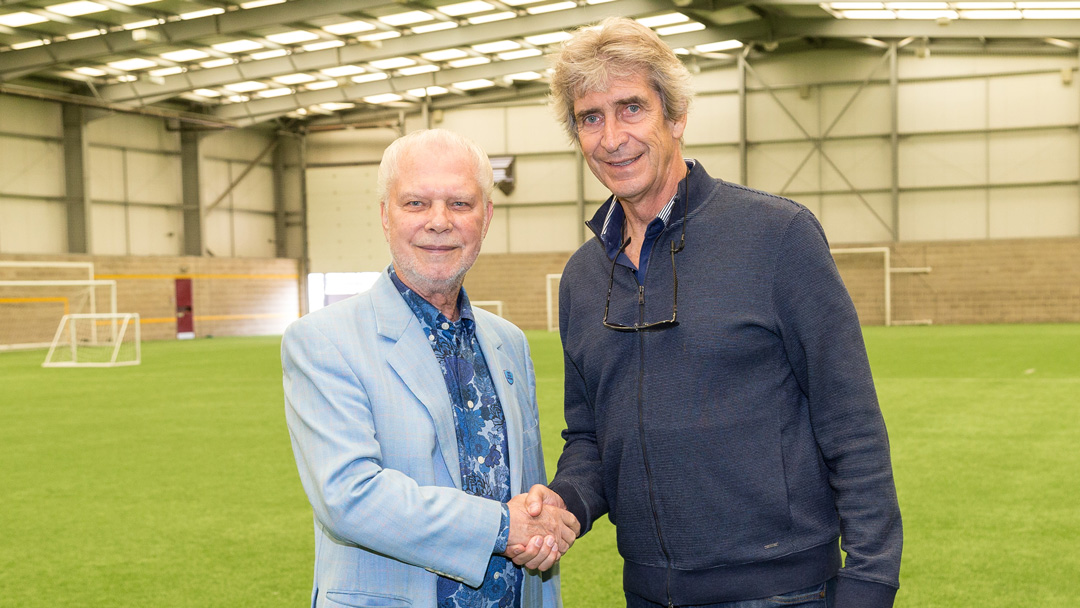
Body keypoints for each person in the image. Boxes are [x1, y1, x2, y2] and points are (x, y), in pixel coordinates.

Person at [520, 17, 902, 608]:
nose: (612, 137)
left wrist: (871, 581)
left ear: (675, 116)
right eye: (590, 117)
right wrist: (565, 502)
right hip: (648, 591)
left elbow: (850, 421)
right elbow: (591, 435)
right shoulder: (581, 277)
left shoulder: (779, 237)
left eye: (631, 108)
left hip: (784, 592)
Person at [282, 129, 574, 608]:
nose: (439, 222)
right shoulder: (323, 340)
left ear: (487, 216)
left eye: (460, 203)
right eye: (416, 203)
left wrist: (543, 521)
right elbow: (350, 497)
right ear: (384, 215)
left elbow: (527, 489)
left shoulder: (510, 343)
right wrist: (505, 526)